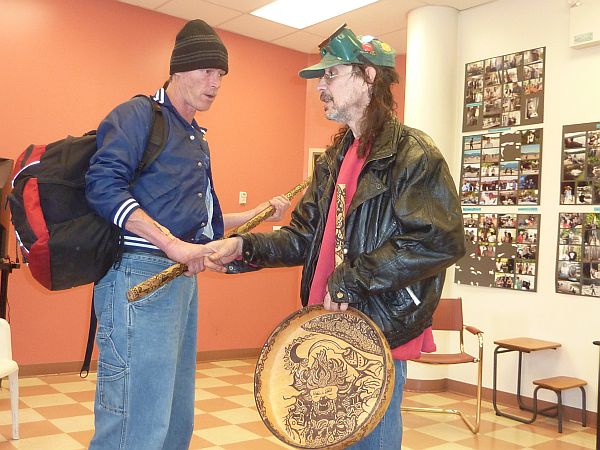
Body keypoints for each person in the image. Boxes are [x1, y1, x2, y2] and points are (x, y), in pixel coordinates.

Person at [205, 25, 465, 450]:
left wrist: (352, 278)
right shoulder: (333, 159)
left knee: (371, 441)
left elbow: (439, 240)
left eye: (331, 74)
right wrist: (244, 247)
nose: (321, 87)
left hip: (379, 326)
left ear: (368, 76)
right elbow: (303, 238)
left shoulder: (414, 154)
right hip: (328, 326)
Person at [85, 19, 290, 450]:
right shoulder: (139, 115)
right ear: (178, 69)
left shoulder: (196, 136)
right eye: (206, 71)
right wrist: (172, 245)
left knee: (174, 419)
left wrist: (255, 214)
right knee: (136, 421)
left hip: (181, 282)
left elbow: (201, 221)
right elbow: (102, 186)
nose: (215, 83)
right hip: (138, 277)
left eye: (221, 75)